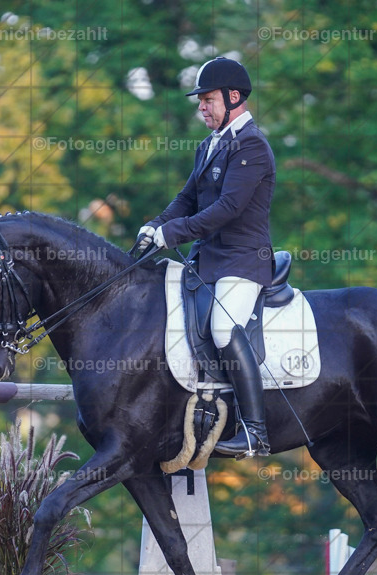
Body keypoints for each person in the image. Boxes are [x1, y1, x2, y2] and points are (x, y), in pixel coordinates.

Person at [136, 56, 275, 458]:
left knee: (223, 328)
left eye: (208, 99)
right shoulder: (209, 145)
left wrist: (173, 233)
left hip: (242, 261)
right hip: (207, 261)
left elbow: (228, 208)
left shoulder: (252, 146)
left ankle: (255, 432)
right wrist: (154, 226)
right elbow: (186, 199)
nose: (201, 107)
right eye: (200, 101)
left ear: (233, 98)